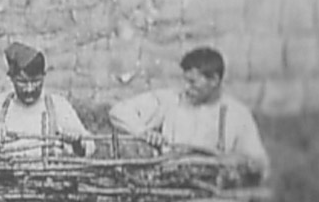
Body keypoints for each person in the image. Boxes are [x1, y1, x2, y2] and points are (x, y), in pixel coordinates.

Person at [108, 46, 269, 176]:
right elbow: (118, 112)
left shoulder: (237, 114)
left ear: (214, 80)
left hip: (214, 193)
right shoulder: (171, 100)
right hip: (170, 185)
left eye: (192, 82)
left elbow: (259, 163)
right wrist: (143, 132)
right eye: (185, 80)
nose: (186, 88)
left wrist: (238, 162)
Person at [0, 42, 95, 158]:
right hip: (6, 181)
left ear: (44, 76)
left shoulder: (58, 105)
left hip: (48, 181)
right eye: (22, 82)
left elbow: (90, 147)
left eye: (36, 81)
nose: (29, 89)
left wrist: (77, 140)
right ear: (11, 78)